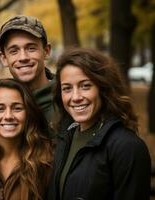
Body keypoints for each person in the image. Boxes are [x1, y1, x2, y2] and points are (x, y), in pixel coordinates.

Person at [48, 47, 151, 200]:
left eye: (85, 86)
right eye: (67, 88)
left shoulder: (127, 147)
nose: (75, 97)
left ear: (103, 89)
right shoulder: (65, 136)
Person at [0, 15, 55, 128]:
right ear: (4, 58)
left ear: (46, 51)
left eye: (31, 48)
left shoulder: (67, 99)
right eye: (14, 51)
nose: (23, 57)